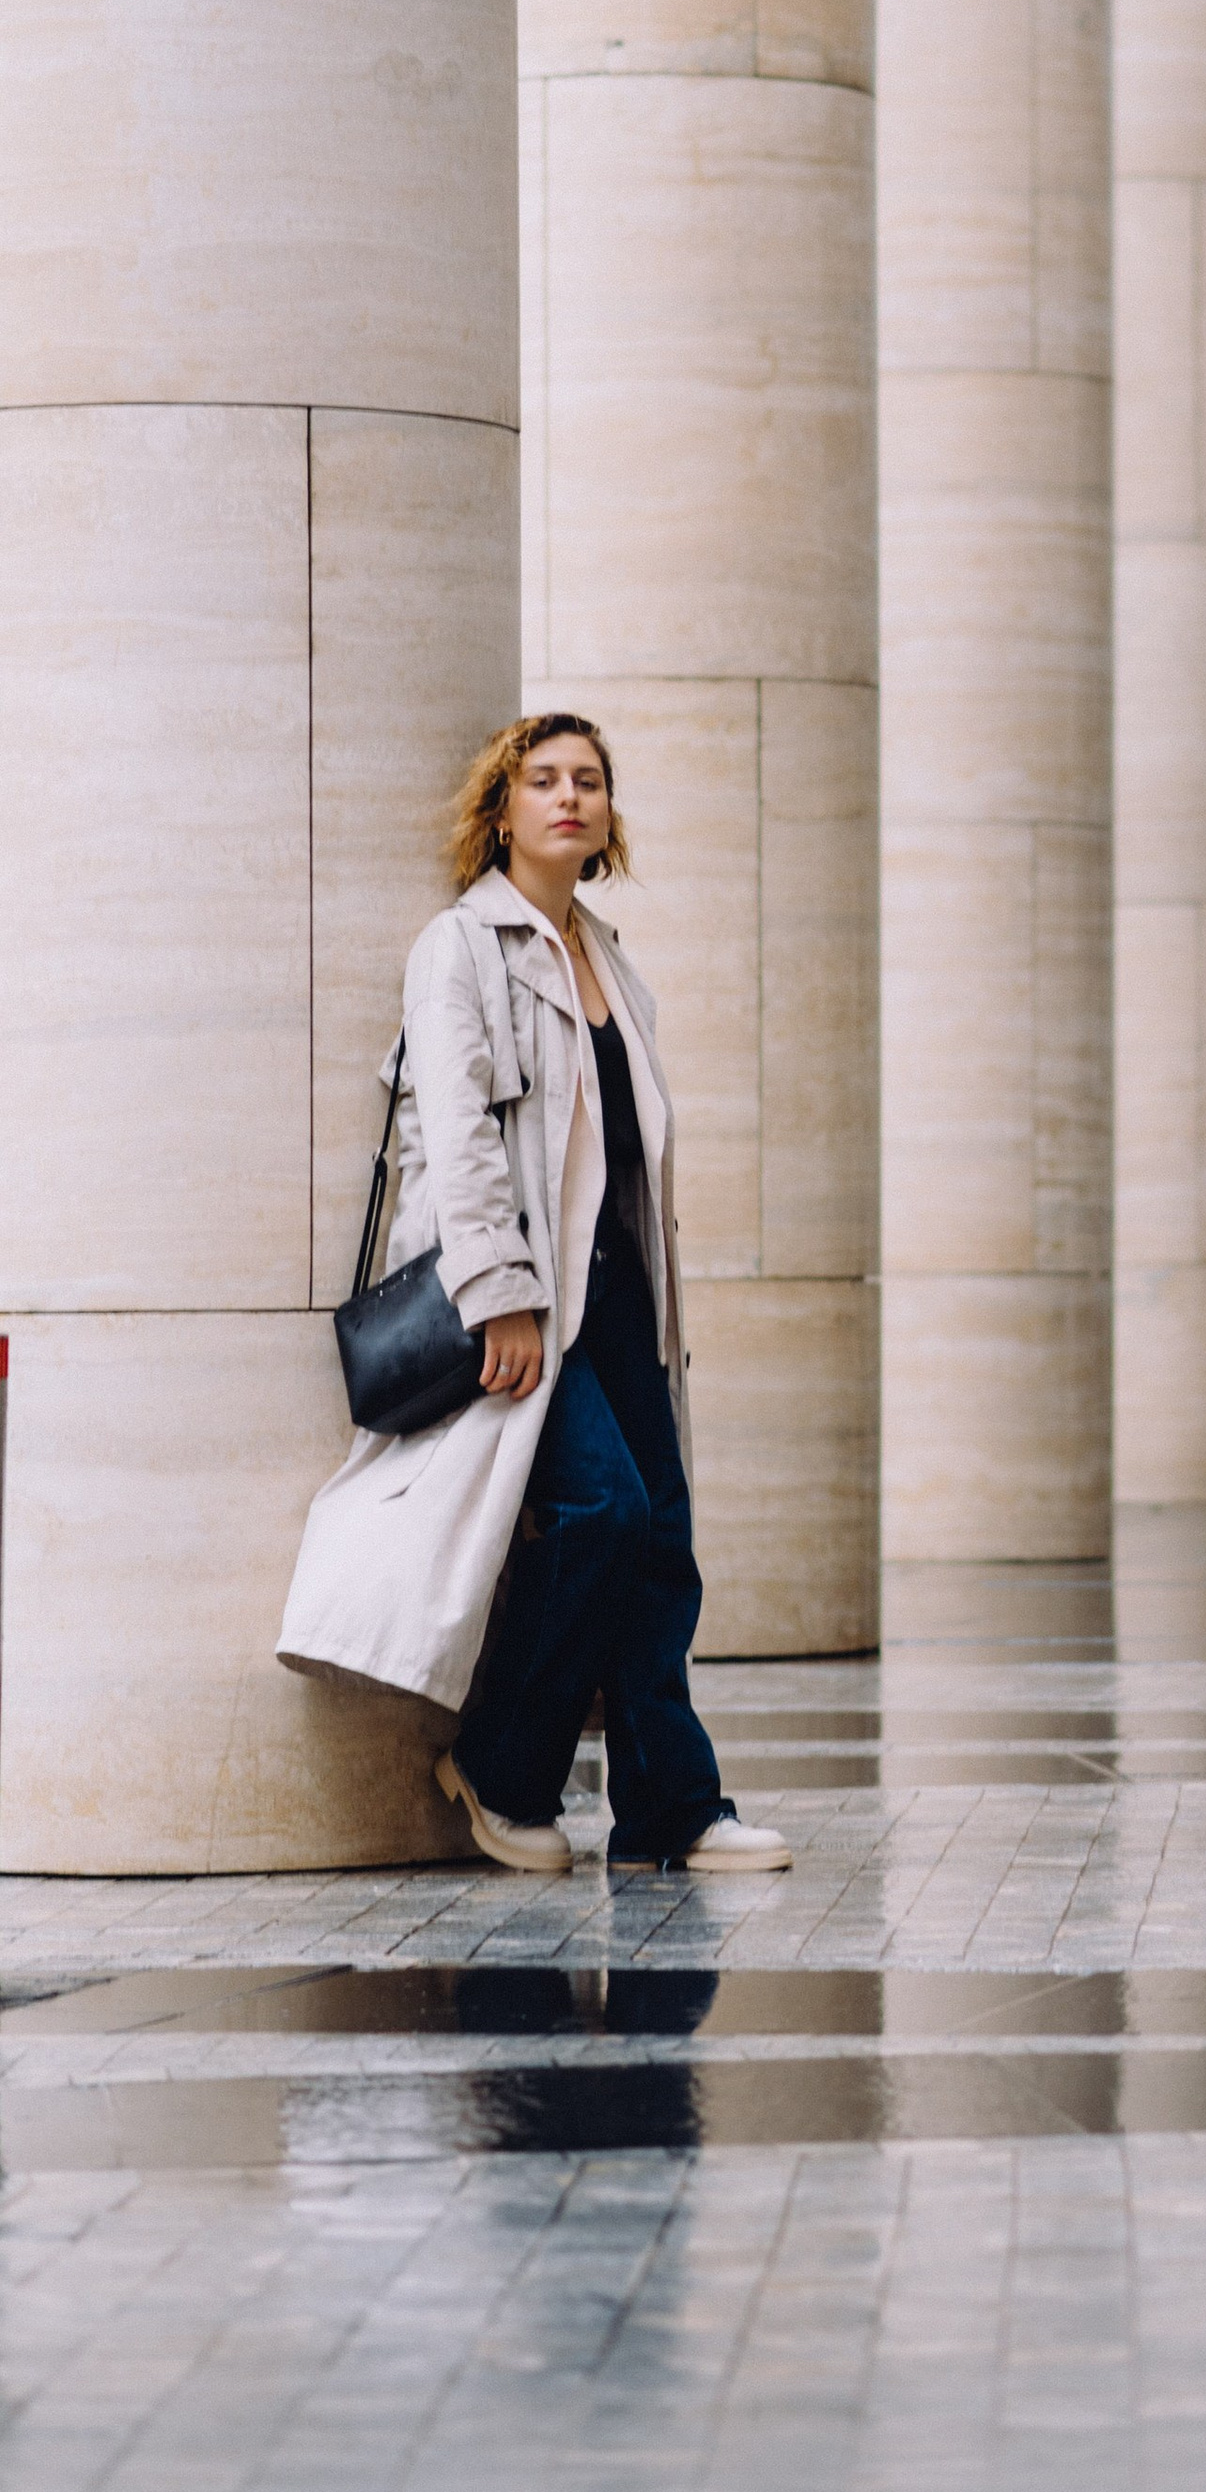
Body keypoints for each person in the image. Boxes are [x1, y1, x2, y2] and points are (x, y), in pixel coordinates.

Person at [280, 714, 790, 1877]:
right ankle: (501, 1764)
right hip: (531, 1298)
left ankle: (671, 1807)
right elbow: (454, 1131)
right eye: (544, 779)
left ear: (608, 814)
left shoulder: (610, 959)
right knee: (601, 1508)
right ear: (501, 810)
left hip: (621, 1294)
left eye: (589, 781)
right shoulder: (459, 947)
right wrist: (498, 1291)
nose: (570, 796)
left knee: (661, 1536)